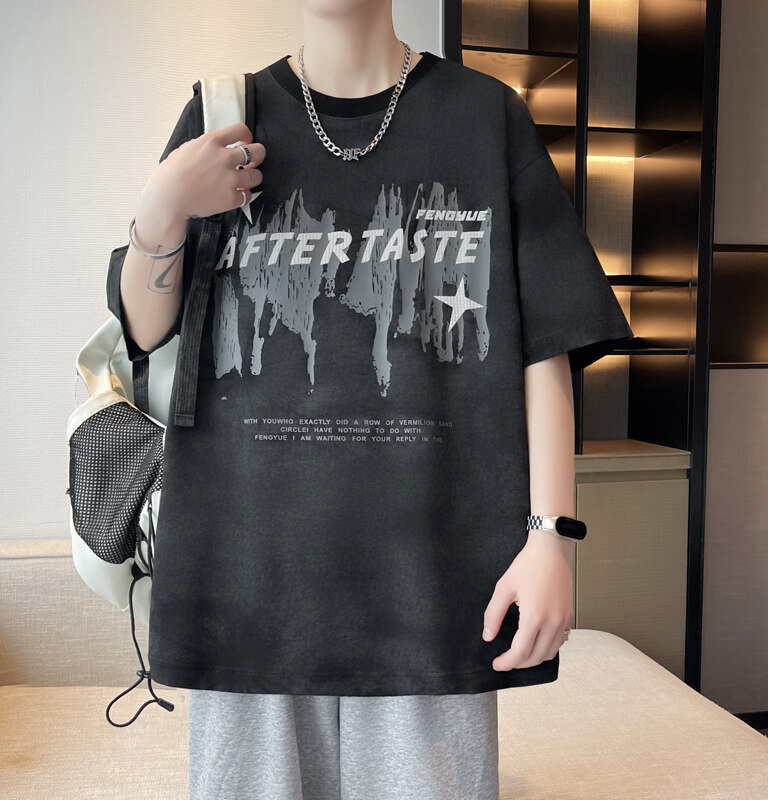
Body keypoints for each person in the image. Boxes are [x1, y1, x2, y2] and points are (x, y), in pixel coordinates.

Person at [109, 1, 634, 797]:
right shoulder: (224, 118)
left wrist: (551, 537)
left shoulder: (484, 116)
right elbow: (147, 334)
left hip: (431, 580)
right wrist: (164, 204)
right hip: (248, 573)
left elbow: (546, 341)